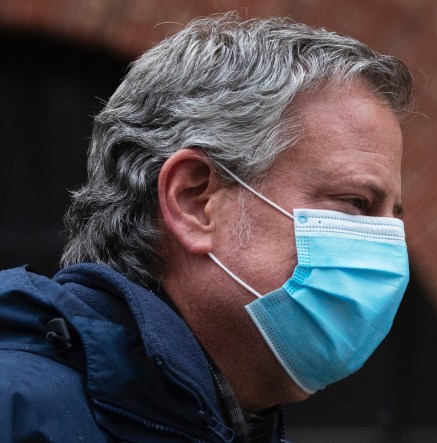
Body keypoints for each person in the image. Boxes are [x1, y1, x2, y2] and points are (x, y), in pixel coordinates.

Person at [0, 12, 413, 442]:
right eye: (354, 203)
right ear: (194, 201)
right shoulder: (17, 417)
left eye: (393, 217)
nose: (387, 248)